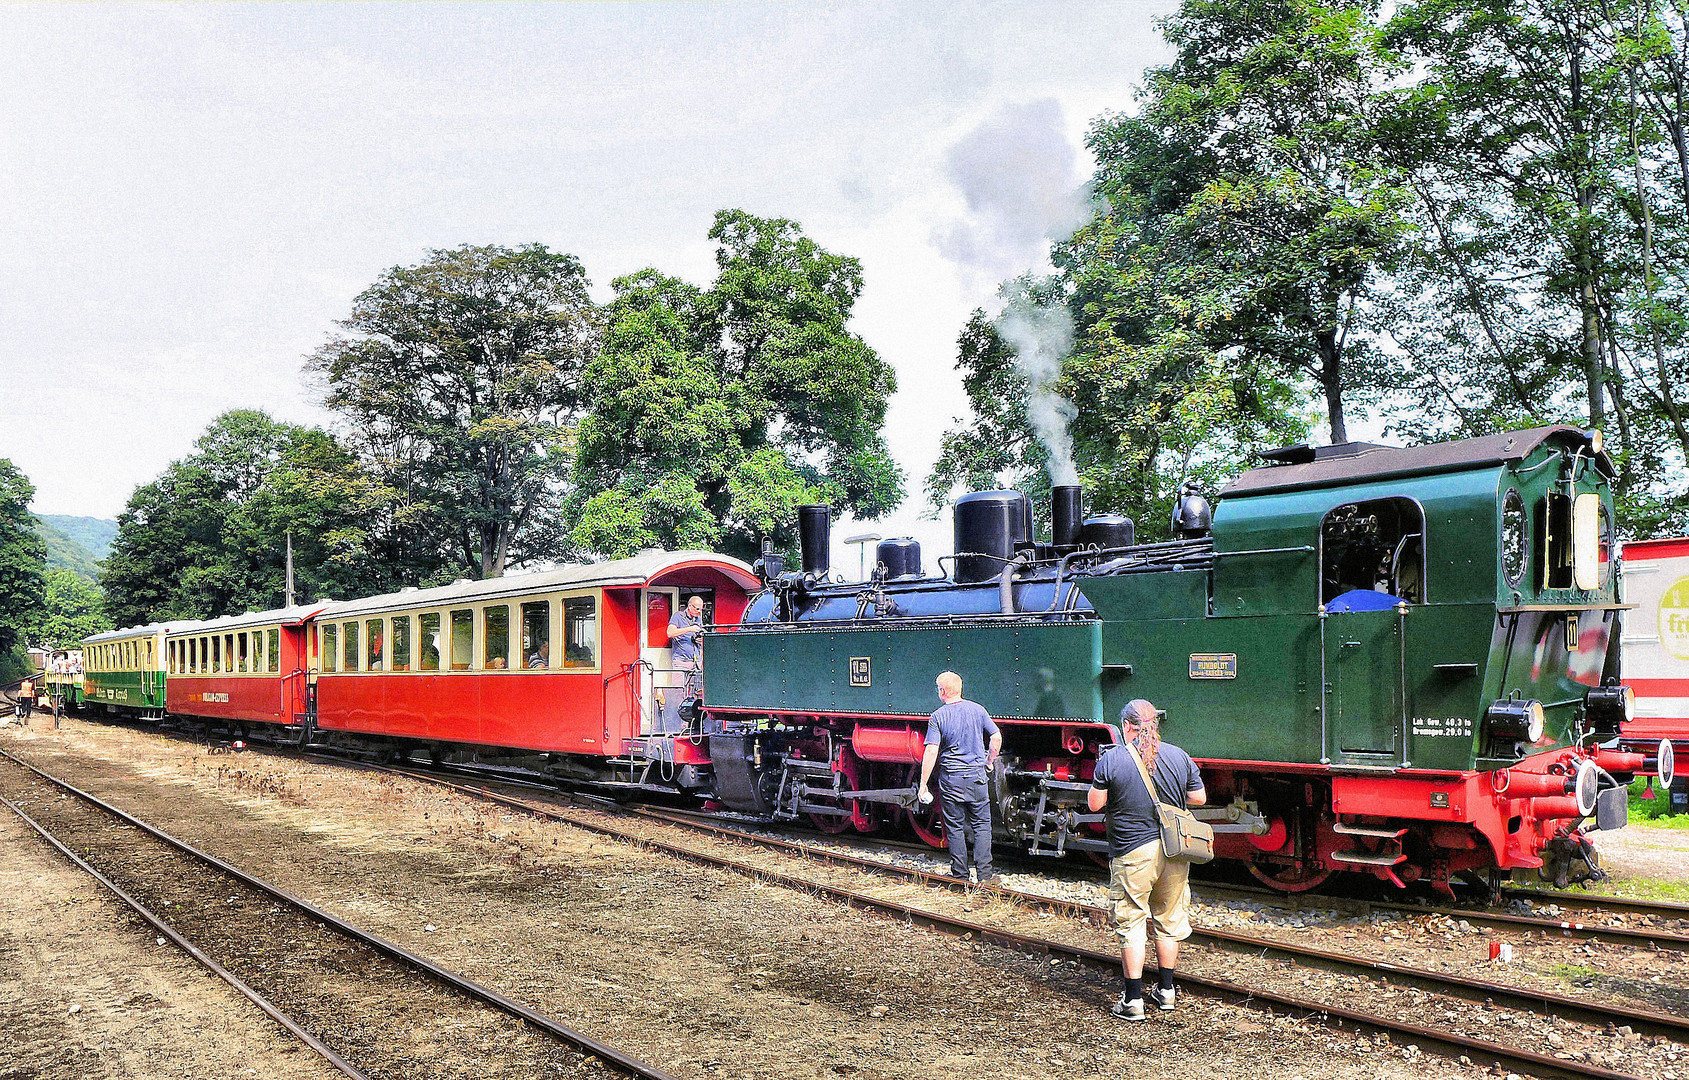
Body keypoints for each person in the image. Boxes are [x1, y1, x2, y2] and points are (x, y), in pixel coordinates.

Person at [1087, 698, 1206, 1021]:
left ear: (1127, 726)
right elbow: (1199, 797)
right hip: (1174, 851)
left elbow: (1095, 805)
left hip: (1132, 852)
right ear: (1156, 725)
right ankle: (1166, 992)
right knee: (1168, 920)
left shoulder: (1113, 760)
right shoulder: (1179, 756)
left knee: (1133, 922)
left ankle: (1133, 1000)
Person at [918, 671, 1003, 884]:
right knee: (982, 825)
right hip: (976, 778)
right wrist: (990, 762)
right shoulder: (978, 710)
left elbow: (931, 751)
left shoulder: (938, 716)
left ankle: (960, 877)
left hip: (951, 780)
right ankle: (984, 876)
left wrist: (923, 785)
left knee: (955, 827)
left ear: (943, 691)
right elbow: (996, 737)